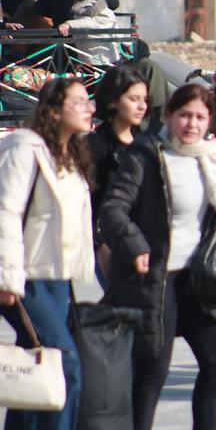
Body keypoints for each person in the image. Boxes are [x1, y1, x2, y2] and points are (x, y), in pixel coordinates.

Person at [100, 83, 216, 430]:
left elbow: (211, 209)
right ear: (168, 117)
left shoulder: (210, 157)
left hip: (197, 278)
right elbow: (113, 209)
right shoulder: (146, 155)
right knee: (152, 366)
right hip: (154, 277)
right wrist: (134, 245)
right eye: (184, 115)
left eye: (200, 117)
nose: (192, 124)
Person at [0, 77, 95, 430]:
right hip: (24, 276)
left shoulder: (68, 152)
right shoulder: (24, 148)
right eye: (79, 102)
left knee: (35, 367)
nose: (88, 108)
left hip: (57, 277)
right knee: (64, 364)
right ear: (53, 109)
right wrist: (5, 279)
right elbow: (5, 213)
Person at [86, 65, 150, 287]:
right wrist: (98, 244)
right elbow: (85, 202)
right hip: (113, 244)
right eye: (134, 98)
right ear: (114, 100)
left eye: (144, 99)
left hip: (149, 243)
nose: (142, 105)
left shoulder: (148, 143)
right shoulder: (95, 146)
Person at [57, 0, 120, 65]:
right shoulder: (108, 11)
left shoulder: (80, 12)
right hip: (112, 59)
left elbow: (89, 22)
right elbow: (117, 29)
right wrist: (128, 43)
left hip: (90, 62)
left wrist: (68, 24)